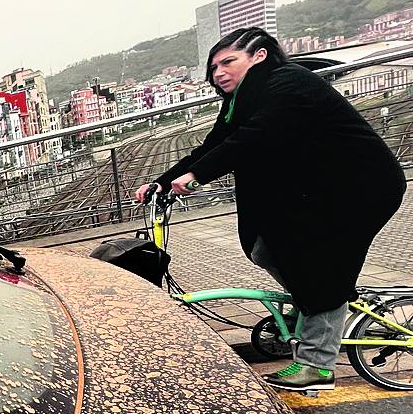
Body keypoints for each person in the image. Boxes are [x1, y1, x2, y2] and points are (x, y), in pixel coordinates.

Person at [136, 27, 405, 392]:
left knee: (321, 271)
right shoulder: (241, 100)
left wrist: (198, 175)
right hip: (317, 191)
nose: (218, 73)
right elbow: (218, 142)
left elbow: (253, 138)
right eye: (213, 67)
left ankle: (317, 365)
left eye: (228, 62)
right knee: (266, 247)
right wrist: (163, 181)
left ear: (259, 56)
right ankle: (319, 302)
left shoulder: (288, 83)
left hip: (358, 188)